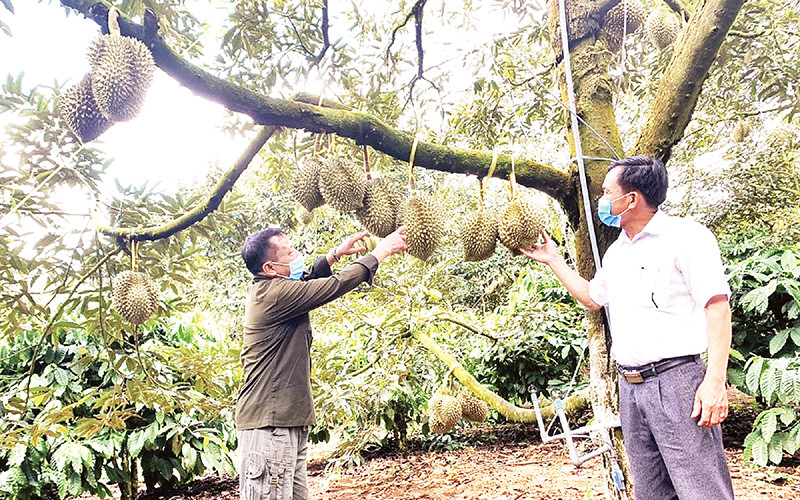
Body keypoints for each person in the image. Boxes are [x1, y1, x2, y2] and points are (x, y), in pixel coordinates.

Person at [521, 155, 734, 500]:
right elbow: (593, 297)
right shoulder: (617, 253)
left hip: (677, 381)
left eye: (607, 192)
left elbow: (717, 307)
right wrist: (554, 260)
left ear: (631, 199)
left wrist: (714, 382)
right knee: (651, 490)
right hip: (631, 387)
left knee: (701, 487)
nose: (602, 201)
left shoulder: (687, 238)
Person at [236, 225, 408, 500]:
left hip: (285, 424)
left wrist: (334, 255)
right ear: (269, 268)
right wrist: (380, 253)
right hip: (269, 428)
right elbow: (332, 286)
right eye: (290, 252)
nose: (297, 255)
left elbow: (304, 279)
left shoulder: (273, 287)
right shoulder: (274, 295)